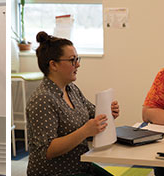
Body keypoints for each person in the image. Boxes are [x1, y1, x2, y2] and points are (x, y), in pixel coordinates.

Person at [27, 31, 120, 176]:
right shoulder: (43, 99)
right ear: (53, 65)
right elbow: (47, 150)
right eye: (72, 60)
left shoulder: (71, 89)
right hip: (57, 172)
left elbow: (93, 116)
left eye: (77, 59)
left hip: (81, 166)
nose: (78, 64)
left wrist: (108, 113)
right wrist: (85, 131)